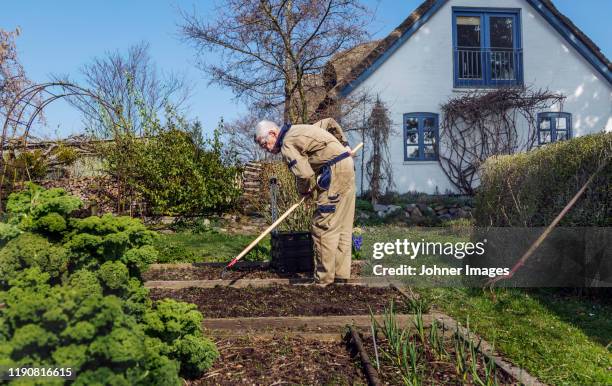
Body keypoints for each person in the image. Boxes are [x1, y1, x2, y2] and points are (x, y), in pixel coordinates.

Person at [254, 118, 356, 285]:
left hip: (334, 172)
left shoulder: (287, 143)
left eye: (264, 143)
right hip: (347, 167)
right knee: (342, 225)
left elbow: (305, 174)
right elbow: (329, 122)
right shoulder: (301, 129)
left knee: (323, 226)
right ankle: (340, 276)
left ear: (273, 133)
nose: (264, 148)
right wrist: (345, 144)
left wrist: (304, 190)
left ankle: (323, 281)